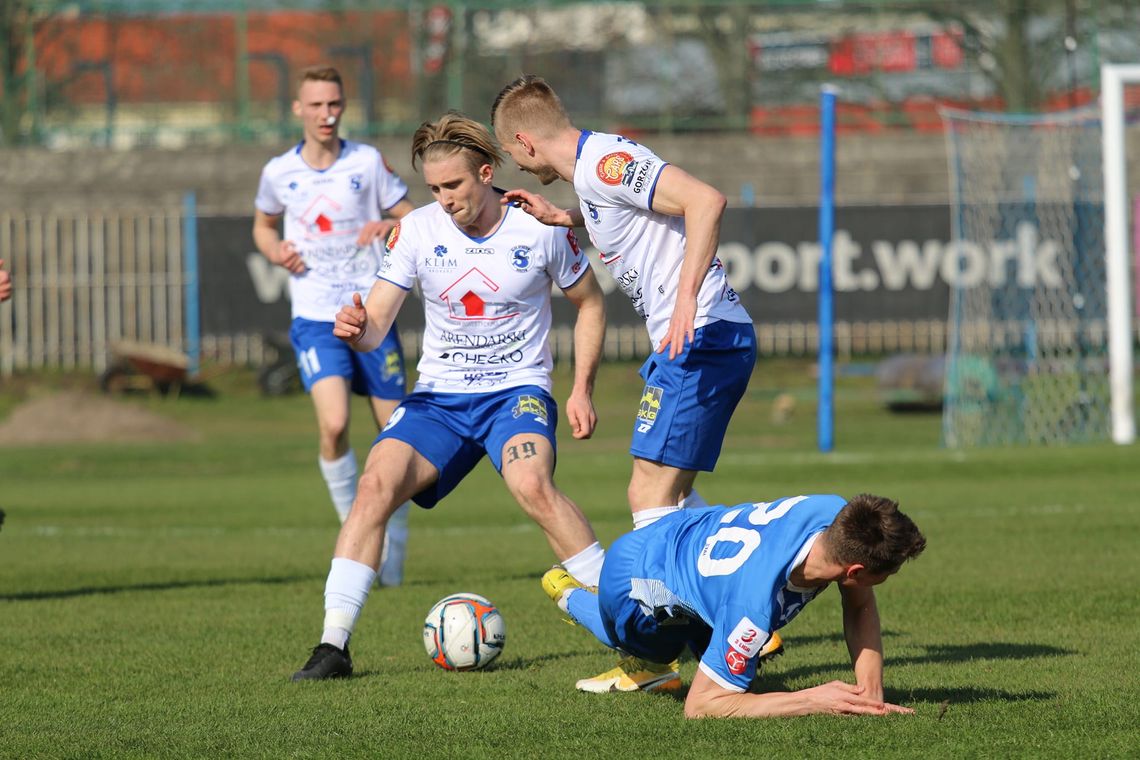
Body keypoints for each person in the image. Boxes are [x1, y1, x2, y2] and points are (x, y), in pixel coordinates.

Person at [290, 111, 609, 681]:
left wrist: (582, 387)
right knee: (373, 485)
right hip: (439, 398)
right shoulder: (416, 231)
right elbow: (375, 328)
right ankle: (332, 646)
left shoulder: (537, 227)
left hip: (516, 393)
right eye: (434, 188)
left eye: (454, 186)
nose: (444, 200)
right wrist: (355, 326)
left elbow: (589, 302)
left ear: (486, 173)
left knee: (532, 485)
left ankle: (630, 618)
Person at [491, 75, 761, 691]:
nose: (523, 170)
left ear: (525, 144)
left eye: (515, 157)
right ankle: (730, 622)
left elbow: (706, 201)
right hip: (696, 342)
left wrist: (688, 298)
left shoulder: (607, 163)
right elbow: (635, 222)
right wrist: (565, 217)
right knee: (672, 500)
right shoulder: (592, 178)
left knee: (648, 498)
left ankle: (673, 650)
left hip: (699, 337)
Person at [541, 493, 926, 716]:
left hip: (694, 548)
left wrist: (869, 693)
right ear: (855, 570)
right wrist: (813, 699)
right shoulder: (754, 606)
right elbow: (702, 706)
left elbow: (858, 606)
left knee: (735, 650)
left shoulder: (839, 516)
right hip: (633, 577)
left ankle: (710, 637)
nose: (885, 581)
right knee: (647, 648)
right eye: (886, 574)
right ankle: (570, 595)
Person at [253, 66, 415, 586]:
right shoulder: (280, 172)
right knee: (334, 425)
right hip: (315, 318)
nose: (327, 114)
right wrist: (273, 248)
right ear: (298, 109)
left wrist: (392, 223)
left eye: (335, 104)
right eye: (317, 105)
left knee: (397, 433)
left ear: (343, 106)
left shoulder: (366, 162)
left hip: (372, 315)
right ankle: (357, 526)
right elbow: (262, 224)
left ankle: (394, 540)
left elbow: (411, 213)